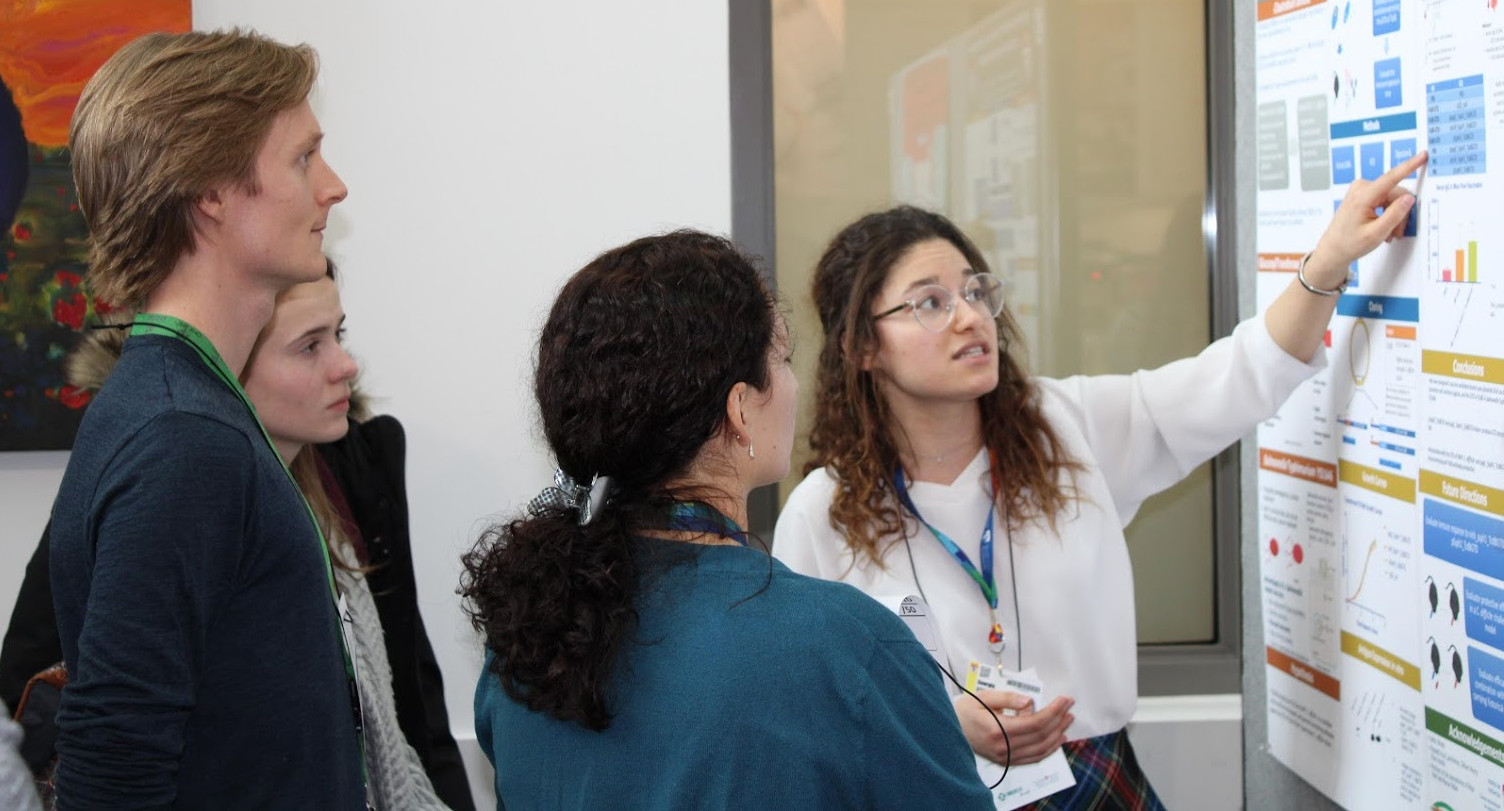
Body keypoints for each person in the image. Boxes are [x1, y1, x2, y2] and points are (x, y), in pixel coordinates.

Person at [774, 153, 1429, 807]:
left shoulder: (1065, 431)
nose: (970, 317)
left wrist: (1327, 263)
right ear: (862, 347)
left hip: (1094, 782)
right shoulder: (822, 516)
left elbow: (1236, 379)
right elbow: (805, 708)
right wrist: (942, 722)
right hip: (932, 788)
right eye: (930, 302)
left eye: (975, 291)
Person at [461, 230, 992, 808]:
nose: (794, 385)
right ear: (739, 409)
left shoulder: (530, 638)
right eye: (783, 360)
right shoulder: (850, 648)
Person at [0, 261, 476, 810]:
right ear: (232, 369)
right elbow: (50, 699)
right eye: (308, 346)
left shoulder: (356, 478)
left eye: (338, 335)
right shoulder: (157, 485)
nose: (346, 365)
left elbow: (413, 699)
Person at [47, 29, 361, 807]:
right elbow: (113, 766)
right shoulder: (182, 438)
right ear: (212, 191)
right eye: (302, 158)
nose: (334, 186)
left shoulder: (182, 406)